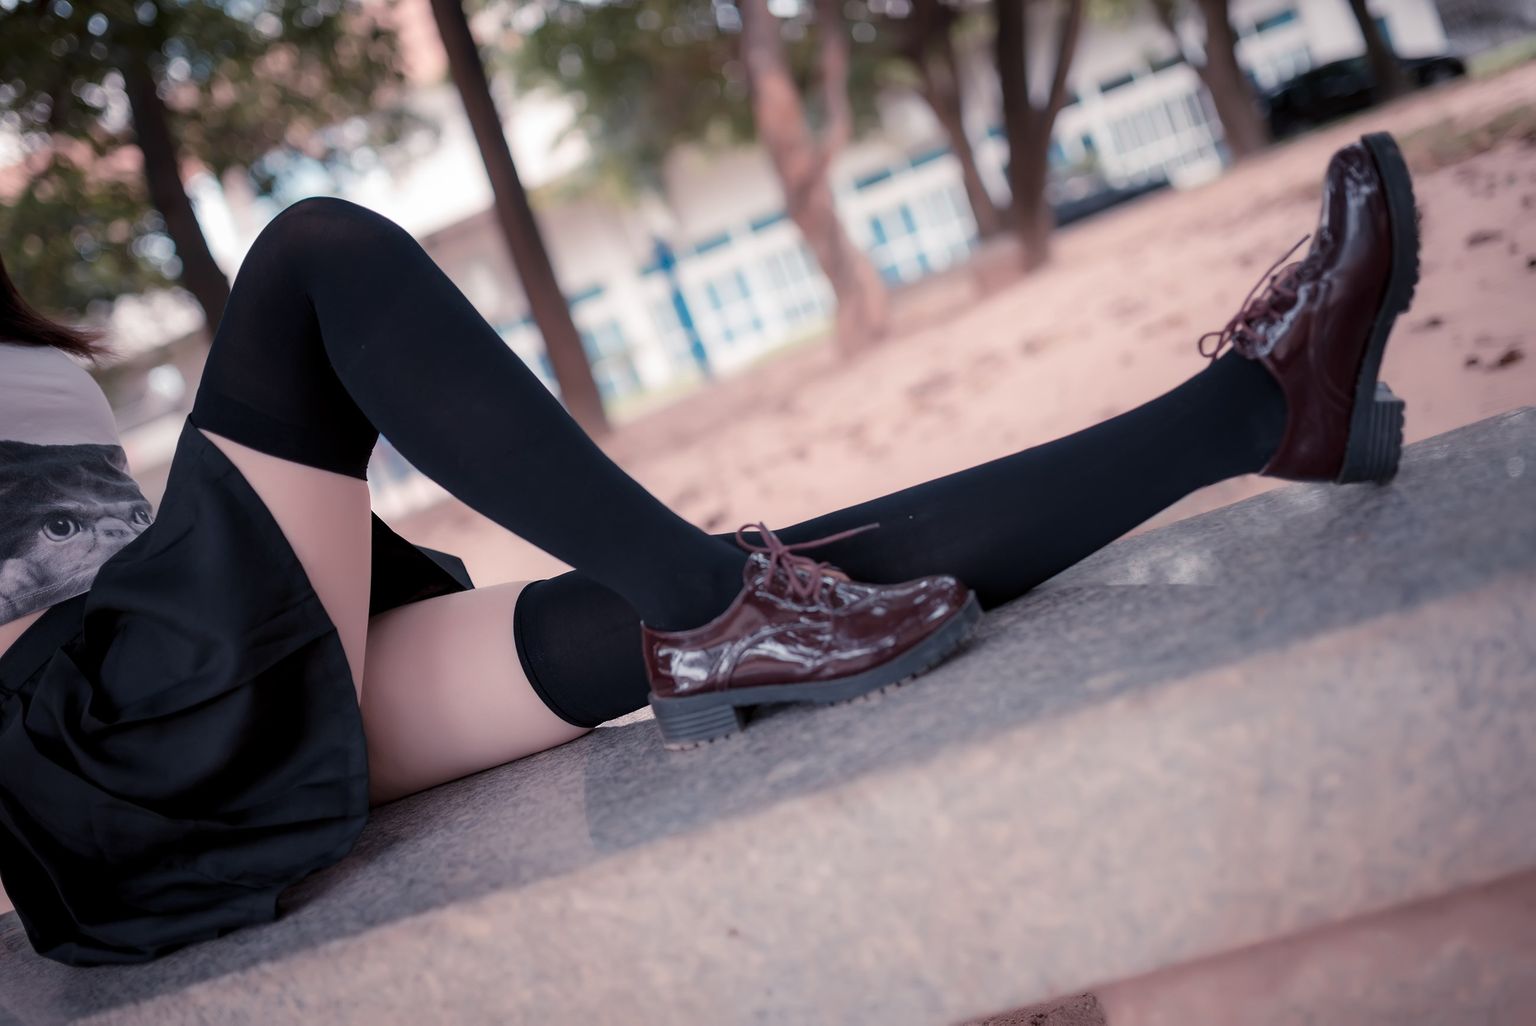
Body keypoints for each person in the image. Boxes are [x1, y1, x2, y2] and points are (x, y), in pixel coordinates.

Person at [0, 132, 1419, 967]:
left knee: (740, 589)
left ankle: (1260, 409)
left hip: (177, 690)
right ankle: (719, 610)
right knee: (317, 254)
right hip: (84, 748)